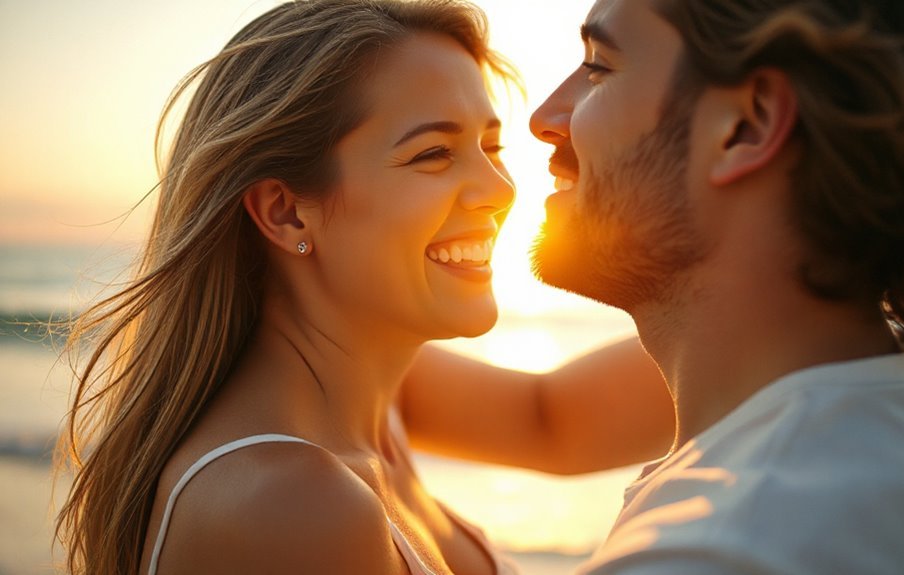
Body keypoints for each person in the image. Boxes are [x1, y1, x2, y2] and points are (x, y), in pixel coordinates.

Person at [399, 0, 904, 573]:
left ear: (745, 127)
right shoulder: (889, 382)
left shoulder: (722, 550)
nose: (545, 119)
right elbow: (542, 418)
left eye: (600, 66)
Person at [52, 1, 675, 573]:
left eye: (491, 145)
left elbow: (555, 421)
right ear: (286, 212)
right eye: (433, 153)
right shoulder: (292, 505)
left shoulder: (372, 400)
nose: (500, 189)